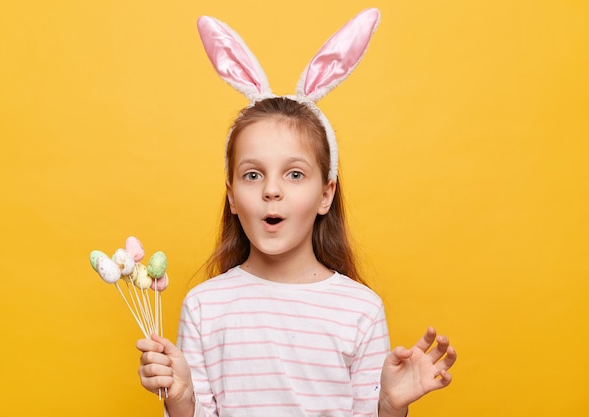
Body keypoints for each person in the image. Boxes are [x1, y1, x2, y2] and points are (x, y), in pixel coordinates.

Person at [137, 9, 456, 417]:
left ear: (326, 194)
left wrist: (390, 406)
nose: (272, 190)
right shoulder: (205, 306)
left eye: (294, 174)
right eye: (253, 175)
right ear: (232, 197)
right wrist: (181, 399)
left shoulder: (360, 310)